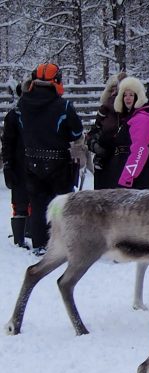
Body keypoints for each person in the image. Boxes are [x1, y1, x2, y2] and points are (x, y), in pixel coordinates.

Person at [18, 63, 83, 254]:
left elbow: (21, 128)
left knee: (38, 204)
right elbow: (76, 131)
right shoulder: (63, 106)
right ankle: (60, 243)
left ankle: (39, 243)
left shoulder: (23, 103)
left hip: (32, 160)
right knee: (60, 204)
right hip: (58, 162)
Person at [109, 76, 149, 189]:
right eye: (125, 95)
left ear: (138, 97)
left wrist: (126, 179)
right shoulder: (132, 116)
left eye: (131, 95)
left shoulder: (142, 119)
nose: (127, 98)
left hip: (136, 182)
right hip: (133, 178)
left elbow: (140, 150)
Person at [1, 83, 31, 248]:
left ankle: (33, 230)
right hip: (19, 165)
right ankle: (19, 237)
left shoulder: (40, 114)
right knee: (20, 201)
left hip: (37, 163)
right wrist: (7, 165)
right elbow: (7, 143)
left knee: (37, 200)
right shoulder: (13, 116)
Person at [85, 72, 127, 189]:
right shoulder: (104, 110)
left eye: (117, 90)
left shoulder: (129, 111)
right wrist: (95, 146)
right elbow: (92, 133)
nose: (114, 93)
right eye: (111, 90)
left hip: (122, 162)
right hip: (103, 163)